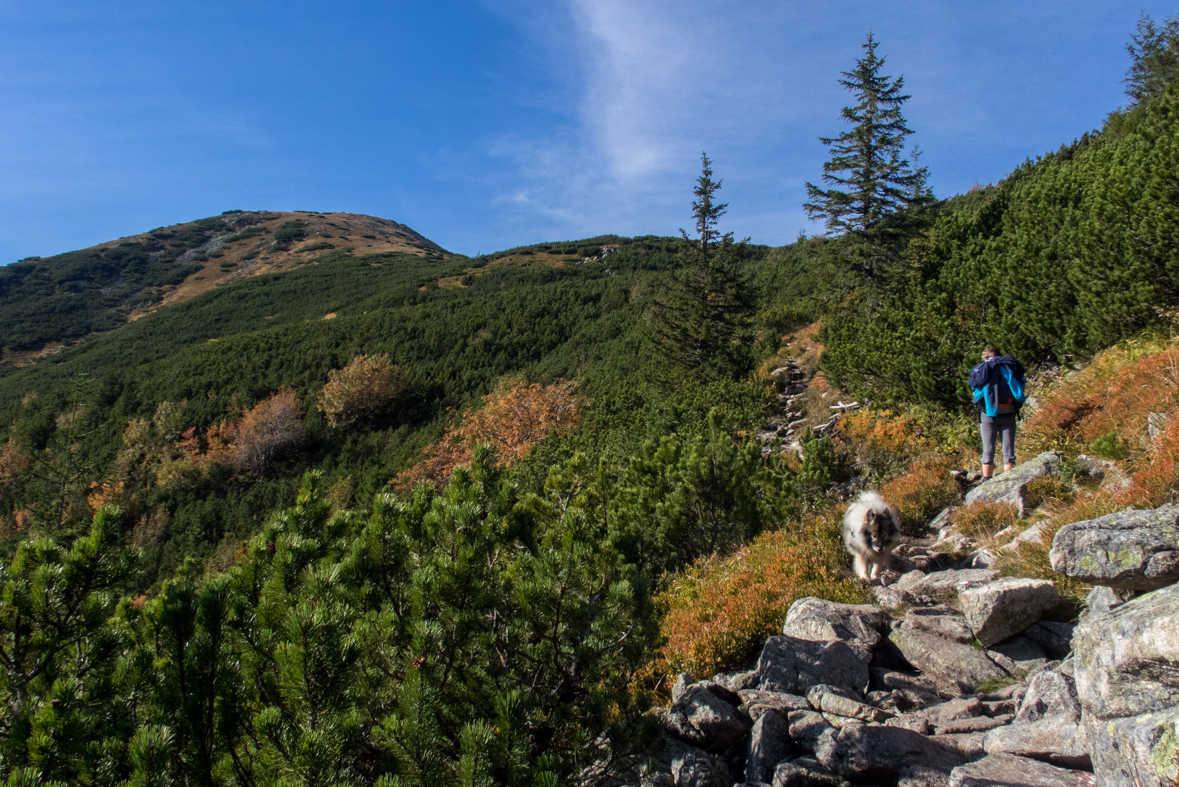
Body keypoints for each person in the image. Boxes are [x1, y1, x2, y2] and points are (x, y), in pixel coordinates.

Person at [969, 346, 1026, 479]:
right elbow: (1018, 394)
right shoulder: (1008, 369)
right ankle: (1009, 481)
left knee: (988, 450)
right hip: (1008, 413)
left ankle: (986, 480)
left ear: (985, 357)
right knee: (1009, 452)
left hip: (988, 415)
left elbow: (977, 396)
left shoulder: (984, 370)